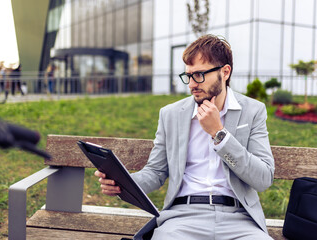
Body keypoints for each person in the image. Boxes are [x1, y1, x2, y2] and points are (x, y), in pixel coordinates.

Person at [95, 34, 275, 240]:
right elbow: (155, 172)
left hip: (239, 219)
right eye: (188, 76)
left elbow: (263, 179)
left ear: (225, 72)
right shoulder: (171, 114)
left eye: (199, 75)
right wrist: (123, 183)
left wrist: (219, 134)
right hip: (182, 218)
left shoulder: (253, 111)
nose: (191, 84)